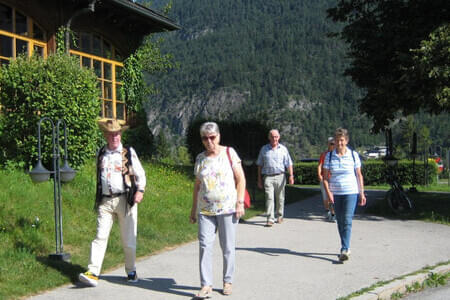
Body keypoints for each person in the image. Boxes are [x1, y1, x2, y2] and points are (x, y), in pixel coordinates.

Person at [79, 119, 146, 287]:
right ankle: (93, 272)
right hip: (105, 201)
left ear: (120, 134)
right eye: (111, 134)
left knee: (128, 239)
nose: (114, 137)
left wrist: (140, 191)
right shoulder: (102, 153)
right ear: (106, 136)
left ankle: (131, 270)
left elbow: (141, 174)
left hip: (125, 200)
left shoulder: (128, 152)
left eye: (117, 134)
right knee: (100, 236)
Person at [190, 122, 246, 298]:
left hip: (227, 209)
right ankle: (206, 285)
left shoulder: (229, 153)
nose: (209, 141)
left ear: (218, 136)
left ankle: (227, 281)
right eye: (205, 138)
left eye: (212, 137)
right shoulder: (200, 158)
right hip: (205, 210)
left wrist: (240, 202)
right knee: (205, 246)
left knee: (227, 247)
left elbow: (241, 179)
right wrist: (193, 210)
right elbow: (197, 186)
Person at [323, 127, 366, 262]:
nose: (339, 143)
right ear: (334, 142)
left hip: (350, 192)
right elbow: (324, 178)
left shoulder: (353, 155)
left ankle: (345, 248)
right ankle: (345, 246)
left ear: (346, 141)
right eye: (337, 141)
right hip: (336, 193)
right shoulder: (329, 156)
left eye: (342, 140)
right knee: (340, 220)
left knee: (347, 220)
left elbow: (358, 175)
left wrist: (362, 193)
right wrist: (329, 193)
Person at [256, 129, 294, 227]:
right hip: (268, 177)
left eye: (276, 136)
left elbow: (289, 163)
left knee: (280, 198)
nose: (274, 139)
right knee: (269, 198)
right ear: (269, 137)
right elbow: (259, 165)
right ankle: (270, 219)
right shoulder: (264, 149)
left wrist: (291, 175)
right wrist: (259, 179)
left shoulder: (283, 149)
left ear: (279, 137)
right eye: (272, 136)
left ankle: (280, 216)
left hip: (280, 176)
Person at [318, 137, 336, 221]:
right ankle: (328, 211)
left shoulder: (336, 154)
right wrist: (319, 175)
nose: (333, 145)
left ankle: (333, 214)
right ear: (328, 144)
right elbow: (320, 165)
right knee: (325, 197)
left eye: (334, 144)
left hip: (333, 179)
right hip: (325, 178)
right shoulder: (324, 154)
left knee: (331, 197)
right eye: (331, 144)